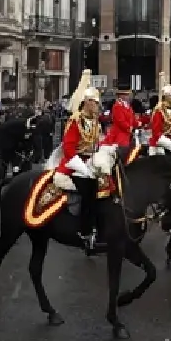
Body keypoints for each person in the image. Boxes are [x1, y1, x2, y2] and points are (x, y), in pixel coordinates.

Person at [57, 71, 116, 252]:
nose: (97, 106)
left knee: (109, 184)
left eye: (98, 103)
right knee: (89, 189)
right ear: (87, 102)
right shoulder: (76, 121)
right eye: (95, 102)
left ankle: (104, 226)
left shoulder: (96, 122)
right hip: (74, 163)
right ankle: (85, 231)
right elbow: (68, 148)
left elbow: (97, 144)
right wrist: (84, 168)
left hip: (90, 160)